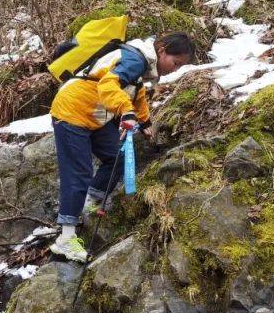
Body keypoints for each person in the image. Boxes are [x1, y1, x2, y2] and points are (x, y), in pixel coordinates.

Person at [49, 32, 195, 262]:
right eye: (175, 63)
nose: (175, 69)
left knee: (118, 155)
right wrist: (126, 111)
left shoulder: (143, 64)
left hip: (96, 115)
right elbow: (110, 84)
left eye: (179, 67)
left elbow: (136, 93)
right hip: (72, 111)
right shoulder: (135, 59)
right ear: (162, 49)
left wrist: (144, 121)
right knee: (79, 172)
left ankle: (90, 201)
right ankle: (66, 238)